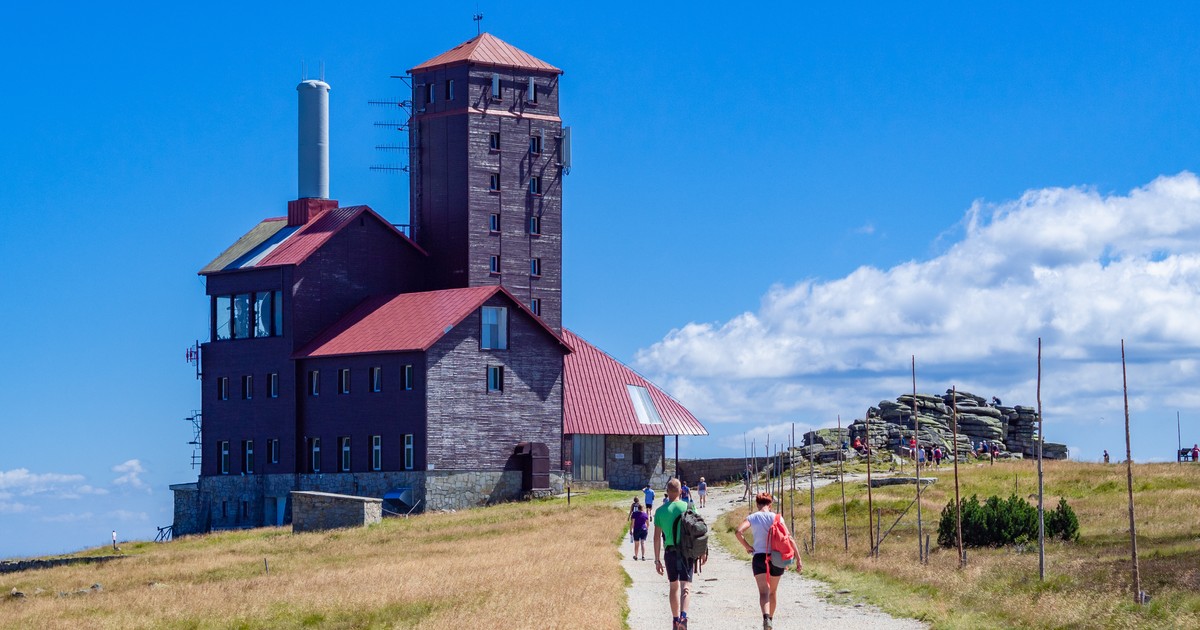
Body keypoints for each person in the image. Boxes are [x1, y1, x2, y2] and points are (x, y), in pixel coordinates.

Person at [734, 492, 802, 630]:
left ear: (757, 504)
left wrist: (748, 547)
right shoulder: (777, 517)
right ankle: (770, 619)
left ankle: (765, 618)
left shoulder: (753, 517)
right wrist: (798, 559)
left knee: (763, 592)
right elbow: (789, 538)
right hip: (776, 558)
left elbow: (738, 532)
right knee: (772, 592)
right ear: (770, 505)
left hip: (759, 557)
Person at [654, 478, 707, 629]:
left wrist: (657, 560)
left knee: (673, 586)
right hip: (686, 552)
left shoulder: (660, 511)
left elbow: (656, 538)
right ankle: (683, 618)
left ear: (667, 491)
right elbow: (699, 530)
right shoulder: (688, 507)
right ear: (681, 491)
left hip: (670, 552)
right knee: (686, 586)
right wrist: (702, 551)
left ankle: (675, 620)